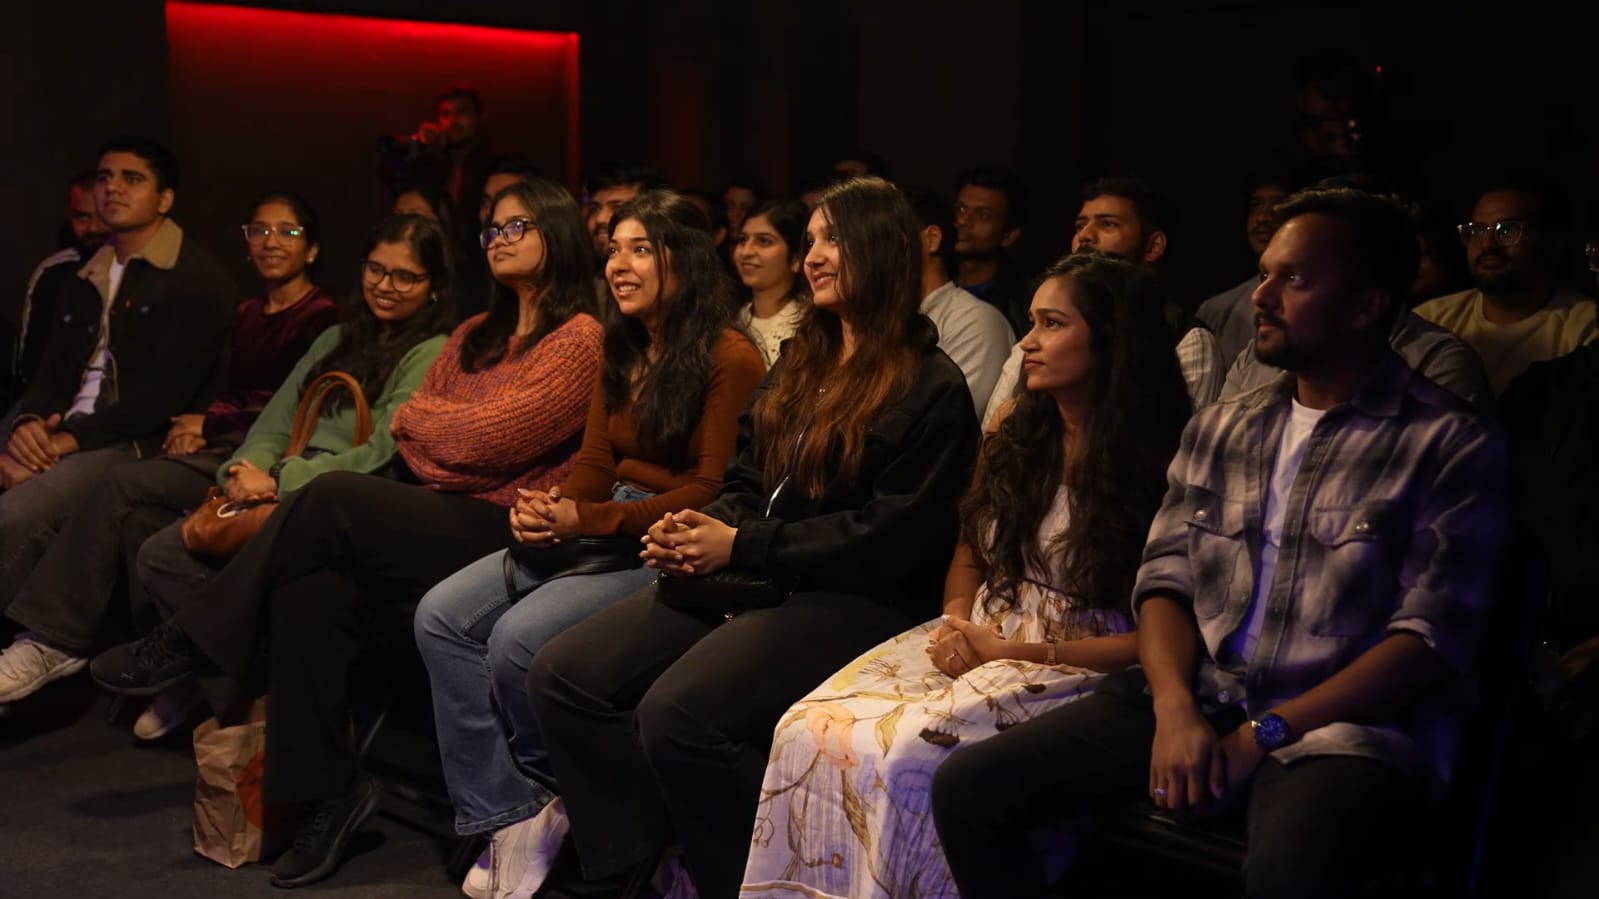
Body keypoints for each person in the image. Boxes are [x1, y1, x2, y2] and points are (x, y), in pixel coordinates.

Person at [931, 187, 1508, 899]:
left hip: (1341, 727)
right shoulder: (1227, 426)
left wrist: (1260, 733)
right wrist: (1173, 705)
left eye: (1292, 279)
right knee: (969, 787)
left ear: (1365, 305)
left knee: (1287, 871)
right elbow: (1164, 581)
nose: (1260, 296)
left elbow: (1426, 641)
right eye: (1263, 272)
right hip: (1199, 693)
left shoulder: (1445, 441)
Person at [90, 178, 606, 889]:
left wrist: (449, 438)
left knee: (331, 495)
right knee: (311, 583)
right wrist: (451, 440)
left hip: (509, 525)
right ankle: (327, 796)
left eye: (518, 227)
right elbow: (419, 428)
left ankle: (192, 635)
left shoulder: (579, 338)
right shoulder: (472, 335)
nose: (500, 239)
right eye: (491, 230)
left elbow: (493, 437)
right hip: (435, 512)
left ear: (560, 237)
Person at [524, 176, 980, 899]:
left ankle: (751, 882)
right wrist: (697, 527)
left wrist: (740, 544)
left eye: (831, 241)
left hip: (853, 593)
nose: (812, 258)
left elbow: (885, 534)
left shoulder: (930, 385)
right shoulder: (802, 357)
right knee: (562, 672)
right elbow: (742, 474)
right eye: (810, 244)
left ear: (884, 251)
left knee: (675, 714)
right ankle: (630, 862)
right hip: (756, 568)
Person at [739, 252, 1192, 899]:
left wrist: (1008, 651)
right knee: (809, 726)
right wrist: (956, 619)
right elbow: (969, 550)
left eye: (1051, 324)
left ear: (1111, 339)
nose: (1028, 341)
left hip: (1082, 658)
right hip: (982, 627)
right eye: (1030, 321)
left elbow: (1160, 634)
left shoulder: (1163, 455)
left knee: (907, 756)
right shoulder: (1012, 426)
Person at [414, 190, 765, 899]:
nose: (619, 265)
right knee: (440, 615)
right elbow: (597, 461)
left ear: (686, 261)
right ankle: (516, 809)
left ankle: (571, 805)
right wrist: (551, 508)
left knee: (518, 640)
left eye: (640, 250)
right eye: (614, 250)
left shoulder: (729, 355)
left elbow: (711, 489)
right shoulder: (622, 343)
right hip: (603, 519)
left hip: (662, 534)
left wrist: (586, 520)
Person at [0, 212, 439, 735]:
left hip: (335, 494)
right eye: (375, 269)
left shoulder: (432, 349)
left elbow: (385, 451)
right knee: (127, 499)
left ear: (435, 287)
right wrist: (242, 469)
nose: (385, 285)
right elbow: (277, 417)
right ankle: (63, 643)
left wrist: (278, 479)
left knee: (160, 548)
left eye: (404, 276)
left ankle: (204, 669)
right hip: (265, 468)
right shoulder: (339, 335)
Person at [0, 135, 236, 608]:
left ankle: (39, 636)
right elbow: (50, 372)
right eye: (105, 177)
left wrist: (66, 441)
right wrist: (29, 424)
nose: (113, 188)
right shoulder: (86, 270)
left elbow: (160, 400)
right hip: (64, 426)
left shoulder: (197, 279)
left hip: (131, 441)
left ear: (165, 199)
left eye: (132, 179)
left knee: (15, 515)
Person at [1414, 183, 1597, 394]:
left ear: (1551, 242)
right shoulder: (1431, 319)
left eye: (1508, 229)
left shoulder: (1584, 327)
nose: (1487, 244)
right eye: (1477, 231)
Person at [8, 171, 112, 419]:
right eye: (82, 217)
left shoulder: (152, 275)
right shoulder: (55, 272)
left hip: (114, 410)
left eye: (101, 216)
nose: (92, 228)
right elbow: (30, 364)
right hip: (50, 402)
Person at [912, 190, 1015, 416]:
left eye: (887, 238)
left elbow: (946, 423)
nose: (874, 252)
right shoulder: (884, 320)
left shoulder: (974, 322)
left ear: (931, 239)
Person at [951, 165, 1029, 334]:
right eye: (961, 209)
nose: (963, 221)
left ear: (1009, 235)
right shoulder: (929, 280)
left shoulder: (1023, 299)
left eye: (983, 215)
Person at [732, 198, 810, 367]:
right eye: (742, 239)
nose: (746, 251)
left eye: (764, 241)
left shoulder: (809, 326)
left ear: (797, 258)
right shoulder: (732, 319)